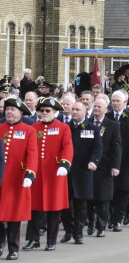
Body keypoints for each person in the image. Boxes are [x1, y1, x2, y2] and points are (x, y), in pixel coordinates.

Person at [23, 97, 73, 252]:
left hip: (55, 174)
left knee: (54, 210)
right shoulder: (34, 127)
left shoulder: (63, 128)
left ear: (55, 112)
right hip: (36, 174)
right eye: (41, 110)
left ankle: (51, 241)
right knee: (34, 209)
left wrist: (65, 164)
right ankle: (33, 239)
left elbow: (67, 148)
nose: (44, 113)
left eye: (47, 111)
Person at [0, 98, 38, 260]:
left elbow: (32, 154)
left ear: (21, 112)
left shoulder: (29, 131)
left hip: (17, 178)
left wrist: (30, 174)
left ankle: (13, 248)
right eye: (7, 109)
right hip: (0, 177)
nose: (9, 112)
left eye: (13, 109)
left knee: (14, 215)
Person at [60, 101, 102, 244]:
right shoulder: (65, 128)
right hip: (66, 171)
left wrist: (94, 161)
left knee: (81, 205)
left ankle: (78, 233)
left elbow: (97, 148)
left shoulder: (92, 128)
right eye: (73, 109)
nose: (74, 112)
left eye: (77, 109)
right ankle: (68, 230)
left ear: (85, 112)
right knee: (65, 205)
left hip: (84, 171)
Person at [105, 90, 129, 232]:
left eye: (117, 101)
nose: (114, 103)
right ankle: (111, 217)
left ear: (125, 103)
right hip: (109, 159)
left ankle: (118, 219)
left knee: (124, 191)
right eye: (113, 101)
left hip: (126, 160)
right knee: (110, 191)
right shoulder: (107, 117)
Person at [88, 98, 122, 237]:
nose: (96, 109)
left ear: (105, 109)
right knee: (89, 198)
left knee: (103, 199)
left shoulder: (113, 125)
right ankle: (90, 223)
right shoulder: (87, 124)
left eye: (99, 106)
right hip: (89, 167)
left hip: (105, 167)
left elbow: (117, 147)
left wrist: (116, 166)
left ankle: (101, 226)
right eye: (94, 106)